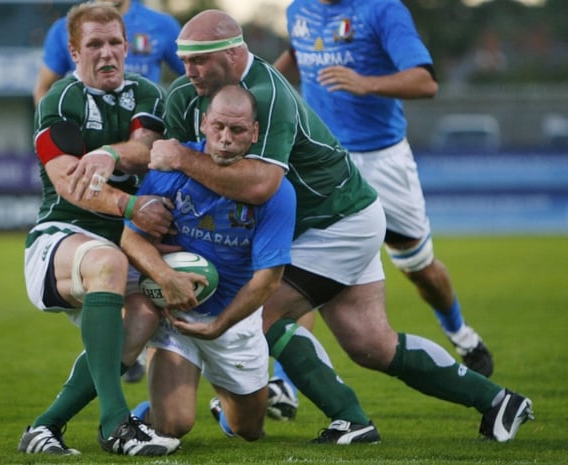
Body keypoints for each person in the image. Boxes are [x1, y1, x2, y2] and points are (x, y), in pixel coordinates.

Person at [146, 9, 533, 444]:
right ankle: (498, 400)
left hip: (337, 221)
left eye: (200, 60)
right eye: (185, 59)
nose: (188, 70)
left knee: (254, 313)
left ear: (235, 53)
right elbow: (170, 167)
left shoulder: (267, 93)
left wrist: (180, 157)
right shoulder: (186, 93)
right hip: (332, 218)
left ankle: (349, 417)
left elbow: (259, 185)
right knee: (373, 344)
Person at [273, 0, 494, 380]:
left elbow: (425, 82)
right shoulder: (298, 11)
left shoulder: (382, 10)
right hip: (320, 161)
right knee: (299, 268)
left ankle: (462, 334)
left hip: (382, 161)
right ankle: (285, 384)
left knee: (419, 268)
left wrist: (366, 83)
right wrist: (263, 87)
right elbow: (297, 53)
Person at [17, 2, 180, 456]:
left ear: (127, 47)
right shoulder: (58, 102)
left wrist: (109, 153)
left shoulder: (148, 94)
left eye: (114, 43)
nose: (106, 53)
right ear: (74, 51)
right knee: (107, 261)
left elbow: (146, 148)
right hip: (60, 239)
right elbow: (72, 187)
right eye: (94, 44)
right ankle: (116, 426)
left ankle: (46, 426)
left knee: (147, 312)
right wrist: (131, 205)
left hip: (123, 241)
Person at [121, 84, 296, 441]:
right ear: (203, 124)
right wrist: (164, 275)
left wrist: (220, 324)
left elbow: (268, 280)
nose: (225, 138)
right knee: (172, 426)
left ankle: (225, 406)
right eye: (218, 127)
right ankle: (142, 418)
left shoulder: (274, 190)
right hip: (177, 314)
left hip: (233, 320)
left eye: (237, 130)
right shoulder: (170, 168)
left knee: (248, 430)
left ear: (255, 133)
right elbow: (129, 236)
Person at [33, 0, 185, 106]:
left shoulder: (161, 25)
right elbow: (43, 89)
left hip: (144, 130)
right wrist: (56, 128)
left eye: (115, 42)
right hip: (88, 132)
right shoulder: (64, 29)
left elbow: (195, 76)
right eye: (94, 44)